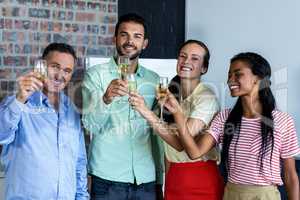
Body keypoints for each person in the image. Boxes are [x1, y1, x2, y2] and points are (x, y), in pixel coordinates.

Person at [174, 52, 300, 200]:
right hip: (231, 194)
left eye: (237, 74)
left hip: (266, 196)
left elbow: (290, 175)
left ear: (258, 79)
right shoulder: (224, 117)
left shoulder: (283, 121)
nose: (230, 80)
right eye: (229, 75)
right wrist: (177, 113)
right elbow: (194, 152)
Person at [129, 39, 224, 200]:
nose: (186, 61)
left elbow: (181, 144)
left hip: (200, 178)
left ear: (204, 68)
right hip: (174, 177)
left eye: (194, 58)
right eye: (182, 56)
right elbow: (167, 148)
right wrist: (167, 180)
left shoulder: (206, 97)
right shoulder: (170, 93)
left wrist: (146, 111)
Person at [82, 13, 162, 200]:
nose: (130, 41)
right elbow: (90, 125)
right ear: (115, 39)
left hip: (145, 179)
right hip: (107, 178)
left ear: (145, 43)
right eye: (124, 34)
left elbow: (156, 134)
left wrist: (159, 178)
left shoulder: (154, 80)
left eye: (137, 36)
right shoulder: (95, 75)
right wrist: (106, 99)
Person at [0, 43, 89, 199]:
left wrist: (81, 197)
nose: (60, 75)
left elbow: (79, 162)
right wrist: (20, 99)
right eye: (55, 66)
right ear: (40, 65)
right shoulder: (17, 104)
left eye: (67, 71)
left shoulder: (72, 112)